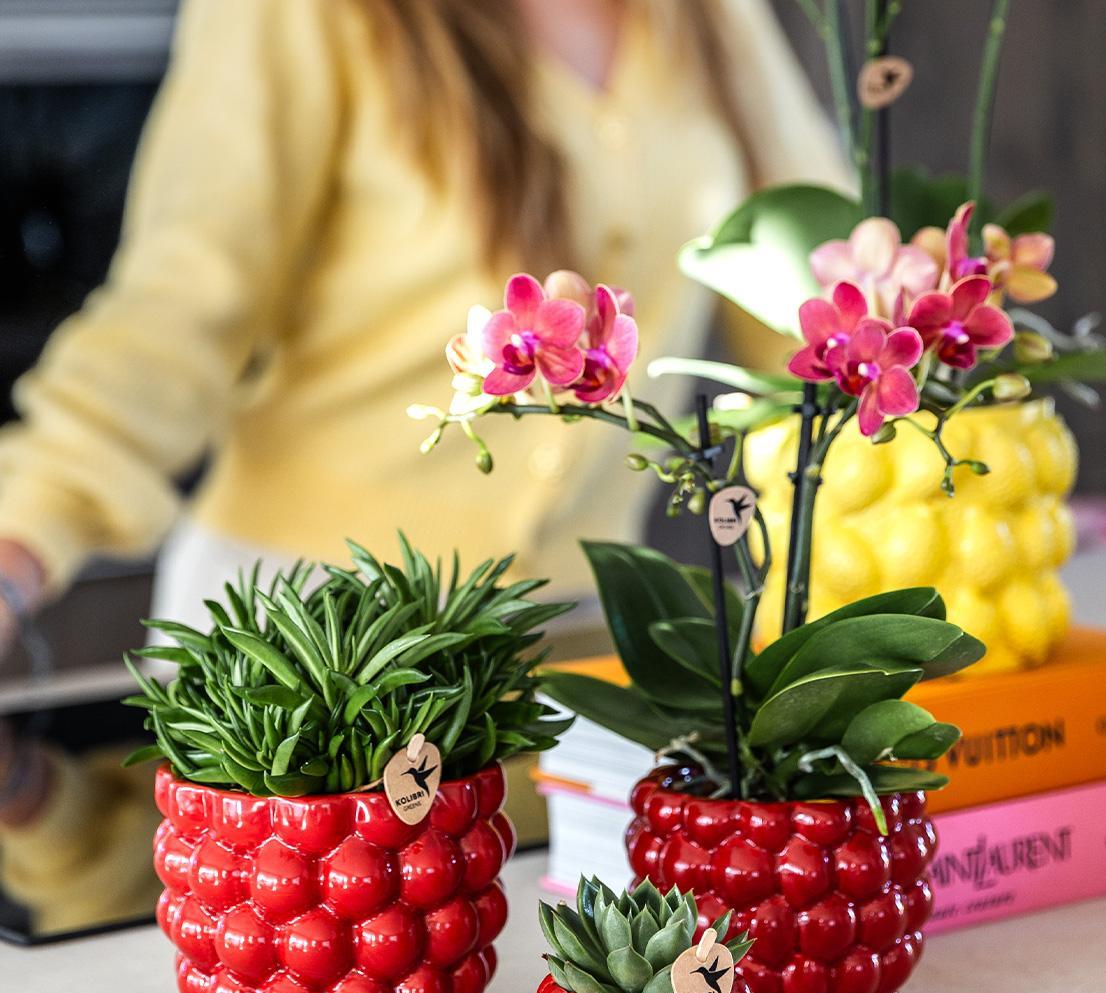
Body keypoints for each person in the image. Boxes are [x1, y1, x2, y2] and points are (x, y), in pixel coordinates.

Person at [0, 0, 850, 641]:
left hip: (574, 636)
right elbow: (182, 304)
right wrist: (20, 537)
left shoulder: (708, 16)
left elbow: (823, 303)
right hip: (310, 628)